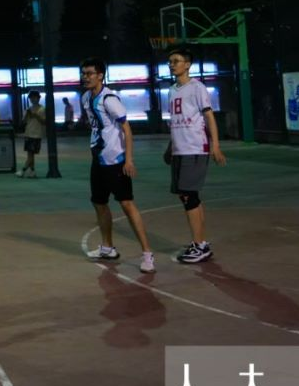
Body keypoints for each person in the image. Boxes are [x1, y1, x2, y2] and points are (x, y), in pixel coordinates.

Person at [79, 59, 154, 273]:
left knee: (127, 204)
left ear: (100, 75)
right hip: (98, 160)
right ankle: (108, 247)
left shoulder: (109, 99)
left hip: (115, 161)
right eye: (83, 73)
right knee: (99, 203)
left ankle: (147, 253)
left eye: (90, 73)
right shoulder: (86, 98)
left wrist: (128, 160)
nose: (86, 77)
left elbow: (127, 130)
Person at [165, 46, 226, 263]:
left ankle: (199, 246)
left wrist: (215, 145)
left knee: (188, 195)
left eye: (176, 61)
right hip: (180, 149)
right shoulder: (172, 90)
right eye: (170, 61)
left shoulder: (197, 88)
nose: (172, 64)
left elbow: (209, 117)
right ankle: (201, 243)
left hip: (195, 147)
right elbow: (175, 122)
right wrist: (170, 148)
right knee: (189, 196)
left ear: (187, 64)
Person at [17, 91, 44, 179]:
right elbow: (23, 122)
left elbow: (44, 121)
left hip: (36, 134)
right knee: (30, 154)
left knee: (30, 154)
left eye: (34, 97)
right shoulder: (28, 109)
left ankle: (23, 170)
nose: (32, 99)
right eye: (31, 98)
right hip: (28, 133)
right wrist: (27, 115)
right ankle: (32, 171)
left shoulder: (42, 109)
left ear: (38, 98)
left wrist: (36, 115)